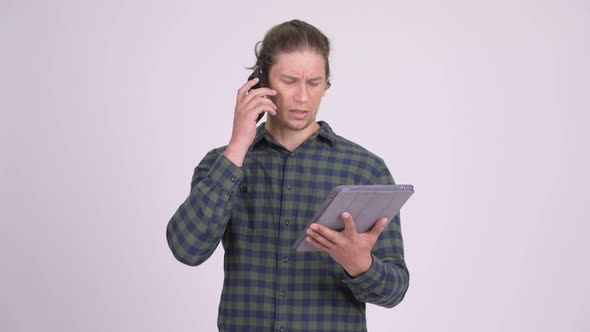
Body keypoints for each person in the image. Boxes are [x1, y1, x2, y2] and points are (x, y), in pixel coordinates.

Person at [166, 19, 409, 332]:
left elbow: (395, 291)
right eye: (290, 80)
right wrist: (239, 143)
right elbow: (187, 249)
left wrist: (359, 263)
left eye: (314, 83)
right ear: (261, 82)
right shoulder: (221, 164)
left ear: (327, 85)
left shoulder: (364, 169)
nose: (303, 97)